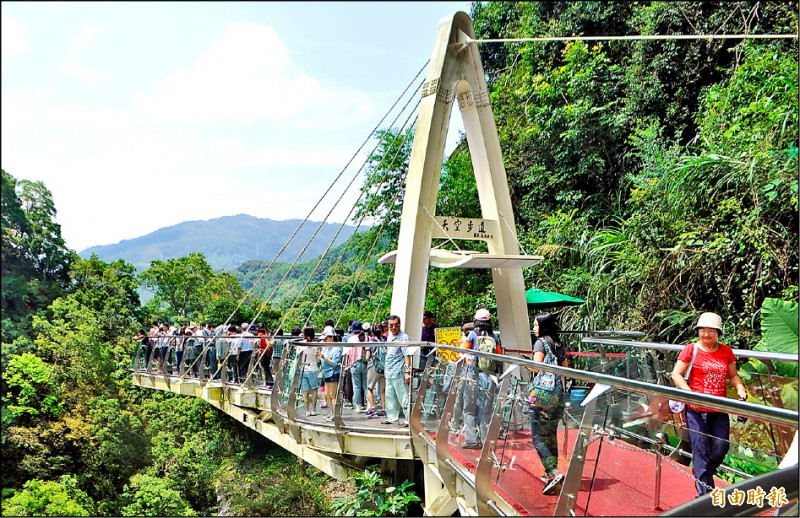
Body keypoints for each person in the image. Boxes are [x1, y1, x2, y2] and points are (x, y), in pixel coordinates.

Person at [671, 312, 747, 498]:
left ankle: (701, 473)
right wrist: (691, 396)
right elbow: (676, 374)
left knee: (721, 448)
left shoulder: (725, 351)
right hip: (696, 411)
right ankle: (704, 495)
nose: (706, 334)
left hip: (719, 409)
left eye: (711, 330)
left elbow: (733, 375)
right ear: (698, 331)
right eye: (703, 329)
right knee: (701, 449)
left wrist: (740, 388)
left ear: (718, 332)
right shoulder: (691, 349)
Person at [527, 312, 569, 496]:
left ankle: (553, 473)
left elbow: (536, 367)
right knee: (550, 434)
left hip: (542, 397)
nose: (534, 327)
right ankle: (552, 472)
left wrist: (525, 363)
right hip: (557, 396)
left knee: (537, 436)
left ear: (543, 326)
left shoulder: (540, 343)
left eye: (536, 324)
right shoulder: (559, 344)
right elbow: (566, 370)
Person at [461, 308, 502, 450]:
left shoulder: (472, 334)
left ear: (476, 321)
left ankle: (471, 440)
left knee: (469, 408)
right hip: (489, 376)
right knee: (486, 410)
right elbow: (499, 356)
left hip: (473, 375)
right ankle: (486, 442)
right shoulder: (494, 336)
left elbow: (463, 351)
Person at [382, 315, 413, 427]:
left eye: (396, 325)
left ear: (399, 324)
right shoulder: (390, 337)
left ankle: (409, 419)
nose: (394, 327)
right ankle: (392, 417)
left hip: (398, 372)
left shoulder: (403, 337)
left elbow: (407, 355)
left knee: (403, 396)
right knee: (390, 396)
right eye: (391, 325)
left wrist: (407, 372)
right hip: (389, 371)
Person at [318, 329, 343, 421]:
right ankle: (332, 412)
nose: (324, 341)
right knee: (327, 395)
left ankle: (335, 415)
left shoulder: (337, 348)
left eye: (326, 339)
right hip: (326, 373)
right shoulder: (325, 347)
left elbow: (335, 363)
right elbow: (321, 361)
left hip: (333, 373)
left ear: (331, 337)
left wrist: (325, 358)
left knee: (333, 395)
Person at [346, 321, 369, 413]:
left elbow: (347, 354)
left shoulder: (350, 339)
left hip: (354, 364)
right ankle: (369, 405)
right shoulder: (366, 337)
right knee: (365, 385)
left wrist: (346, 366)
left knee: (356, 386)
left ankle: (358, 406)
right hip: (364, 363)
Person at [297, 325, 320, 416]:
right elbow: (318, 360)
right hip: (313, 369)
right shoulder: (316, 346)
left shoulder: (300, 345)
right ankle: (314, 409)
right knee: (314, 389)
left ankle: (306, 410)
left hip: (303, 369)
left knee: (305, 391)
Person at [365, 323, 387, 417]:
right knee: (383, 390)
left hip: (373, 367)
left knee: (370, 388)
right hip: (384, 367)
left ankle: (373, 407)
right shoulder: (386, 340)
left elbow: (368, 356)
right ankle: (384, 408)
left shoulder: (371, 341)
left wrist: (365, 359)